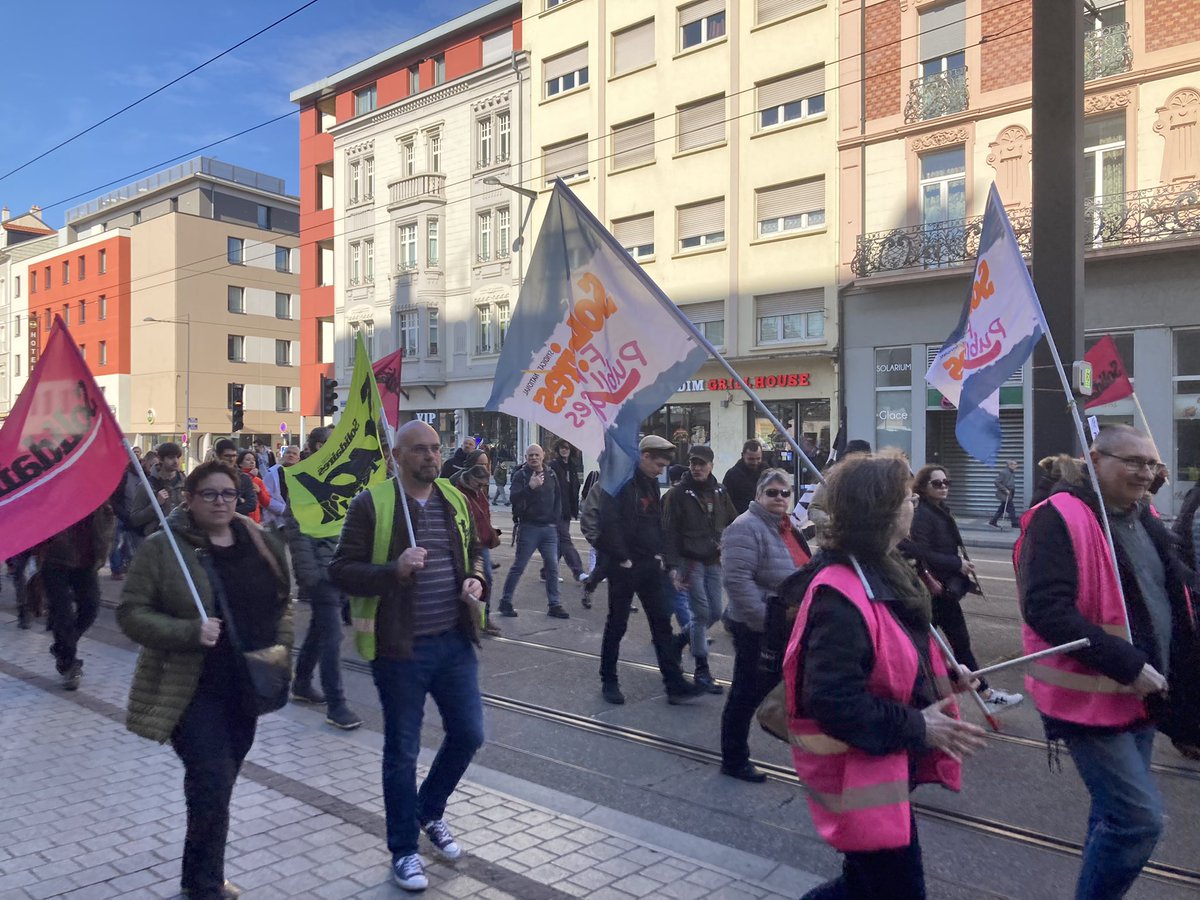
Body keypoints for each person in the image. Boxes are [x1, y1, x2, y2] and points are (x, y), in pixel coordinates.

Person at [782, 452, 984, 899]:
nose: (914, 504)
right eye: (908, 497)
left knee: (868, 883)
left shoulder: (880, 571)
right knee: (894, 888)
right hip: (859, 770)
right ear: (884, 511)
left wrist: (945, 679)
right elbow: (832, 700)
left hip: (881, 763)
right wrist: (919, 724)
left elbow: (892, 656)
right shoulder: (842, 589)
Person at [1016, 425, 1200, 899]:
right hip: (1090, 699)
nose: (1145, 473)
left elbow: (1169, 586)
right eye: (1132, 462)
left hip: (1139, 695)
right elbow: (1046, 609)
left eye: (1151, 464)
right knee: (1138, 821)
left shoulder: (1143, 516)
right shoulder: (1057, 517)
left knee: (1112, 814)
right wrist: (1126, 663)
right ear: (1094, 460)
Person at [117, 460, 293, 900]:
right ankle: (203, 885)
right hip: (192, 690)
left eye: (228, 494)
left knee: (218, 787)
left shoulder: (258, 539)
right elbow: (130, 613)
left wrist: (281, 653)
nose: (221, 502)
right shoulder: (164, 548)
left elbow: (283, 601)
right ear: (189, 499)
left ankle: (203, 876)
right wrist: (188, 632)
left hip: (246, 686)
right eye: (210, 494)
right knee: (211, 781)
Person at [330, 421, 487, 892]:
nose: (431, 457)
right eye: (419, 450)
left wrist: (476, 580)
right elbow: (340, 570)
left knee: (469, 733)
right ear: (397, 455)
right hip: (401, 647)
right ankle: (403, 850)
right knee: (402, 751)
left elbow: (475, 550)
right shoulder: (372, 504)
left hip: (453, 640)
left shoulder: (453, 498)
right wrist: (393, 570)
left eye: (435, 449)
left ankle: (428, 812)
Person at [594, 435, 707, 705]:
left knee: (661, 624)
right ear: (643, 456)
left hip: (649, 564)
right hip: (625, 565)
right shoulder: (620, 482)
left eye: (664, 466)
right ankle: (609, 679)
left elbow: (656, 523)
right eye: (658, 464)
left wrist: (663, 559)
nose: (661, 470)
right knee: (617, 624)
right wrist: (622, 557)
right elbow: (608, 520)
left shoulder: (652, 484)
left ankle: (674, 683)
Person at [903, 465, 1023, 715]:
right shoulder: (923, 514)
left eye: (946, 482)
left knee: (948, 645)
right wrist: (956, 563)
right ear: (924, 486)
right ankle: (982, 694)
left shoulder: (938, 510)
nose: (944, 486)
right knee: (937, 646)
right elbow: (921, 552)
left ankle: (983, 693)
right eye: (937, 483)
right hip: (935, 591)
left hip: (943, 591)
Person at [719, 468, 811, 782]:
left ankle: (814, 757)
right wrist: (765, 623)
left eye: (785, 493)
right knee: (746, 694)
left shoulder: (787, 527)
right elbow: (736, 582)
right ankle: (733, 759)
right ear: (759, 495)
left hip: (788, 626)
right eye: (772, 492)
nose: (779, 498)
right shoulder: (745, 527)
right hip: (758, 629)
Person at [280, 442, 363, 729]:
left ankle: (302, 681)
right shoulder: (304, 486)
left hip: (341, 569)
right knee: (333, 636)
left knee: (320, 629)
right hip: (322, 574)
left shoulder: (341, 482)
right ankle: (336, 704)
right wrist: (311, 576)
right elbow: (296, 532)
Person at [662, 445, 738, 693]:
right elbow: (669, 532)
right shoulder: (678, 494)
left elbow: (733, 521)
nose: (697, 467)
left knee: (715, 611)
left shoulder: (719, 491)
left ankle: (680, 640)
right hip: (689, 561)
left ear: (711, 466)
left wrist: (726, 541)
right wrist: (672, 566)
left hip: (712, 560)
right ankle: (702, 669)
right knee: (702, 613)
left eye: (702, 463)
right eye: (694, 463)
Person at [39, 506, 115, 689]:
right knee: (63, 613)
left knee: (90, 607)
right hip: (55, 561)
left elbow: (108, 519)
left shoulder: (95, 493)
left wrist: (102, 550)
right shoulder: (55, 491)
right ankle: (69, 665)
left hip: (86, 561)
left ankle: (62, 647)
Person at [498, 444, 568, 619]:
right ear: (525, 457)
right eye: (530, 455)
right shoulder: (520, 475)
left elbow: (558, 497)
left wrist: (555, 519)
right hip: (529, 527)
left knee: (552, 567)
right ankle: (505, 601)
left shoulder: (551, 474)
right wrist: (530, 487)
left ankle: (555, 604)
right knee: (519, 566)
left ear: (543, 455)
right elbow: (514, 499)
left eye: (537, 455)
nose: (534, 458)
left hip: (549, 529)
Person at [451, 449, 503, 636]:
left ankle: (483, 619)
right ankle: (471, 619)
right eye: (480, 464)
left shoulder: (479, 491)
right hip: (465, 542)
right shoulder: (457, 488)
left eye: (485, 463)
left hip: (480, 543)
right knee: (471, 580)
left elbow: (484, 515)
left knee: (485, 580)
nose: (482, 487)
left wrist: (489, 533)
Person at [548, 440, 588, 584]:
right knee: (565, 540)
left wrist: (574, 508)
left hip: (567, 510)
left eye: (566, 448)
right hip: (556, 510)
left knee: (559, 543)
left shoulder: (572, 466)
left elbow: (574, 488)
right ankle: (579, 572)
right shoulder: (553, 466)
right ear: (557, 450)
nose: (564, 450)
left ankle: (546, 572)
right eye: (561, 448)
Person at [129, 442, 186, 538]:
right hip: (156, 542)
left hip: (182, 539)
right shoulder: (147, 486)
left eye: (177, 457)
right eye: (171, 458)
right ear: (160, 459)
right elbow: (135, 519)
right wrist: (156, 504)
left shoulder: (187, 483)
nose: (176, 461)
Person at [214, 439, 259, 517]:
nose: (231, 459)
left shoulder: (244, 478)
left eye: (234, 456)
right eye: (227, 456)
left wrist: (230, 511)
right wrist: (240, 501)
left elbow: (251, 505)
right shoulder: (208, 476)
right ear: (218, 456)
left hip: (237, 523)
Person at [722, 440, 767, 515]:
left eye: (758, 459)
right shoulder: (732, 475)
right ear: (742, 455)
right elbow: (726, 503)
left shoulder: (766, 471)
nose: (755, 462)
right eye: (751, 459)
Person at [262, 445, 300, 528]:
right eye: (288, 452)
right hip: (274, 520)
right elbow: (265, 496)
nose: (291, 455)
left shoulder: (303, 475)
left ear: (298, 459)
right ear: (283, 455)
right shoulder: (272, 473)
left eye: (294, 454)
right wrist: (285, 510)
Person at [237, 450, 272, 524]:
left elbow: (267, 502)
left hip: (256, 521)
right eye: (248, 460)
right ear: (240, 463)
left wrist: (260, 492)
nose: (252, 462)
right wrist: (250, 476)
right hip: (239, 519)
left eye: (253, 460)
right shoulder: (236, 477)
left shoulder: (258, 480)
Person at [988, 460, 1021, 529]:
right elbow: (996, 482)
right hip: (1005, 494)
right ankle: (1014, 523)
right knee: (1012, 509)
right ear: (1010, 465)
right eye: (1015, 464)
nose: (1016, 466)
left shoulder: (1011, 472)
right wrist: (1005, 490)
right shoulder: (1004, 472)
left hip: (1009, 494)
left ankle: (993, 521)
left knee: (1001, 509)